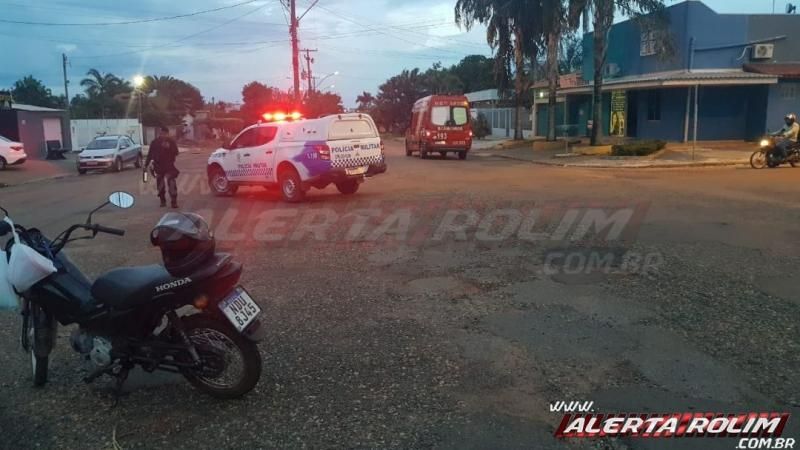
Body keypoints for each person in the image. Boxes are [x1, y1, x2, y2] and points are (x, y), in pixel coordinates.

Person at [145, 126, 180, 208]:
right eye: (161, 133)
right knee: (160, 185)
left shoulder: (171, 142)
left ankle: (174, 202)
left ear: (167, 134)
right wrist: (146, 164)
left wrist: (169, 148)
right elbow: (150, 154)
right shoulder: (155, 142)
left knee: (171, 183)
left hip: (169, 166)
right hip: (158, 166)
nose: (162, 135)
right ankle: (162, 200)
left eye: (164, 134)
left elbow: (176, 152)